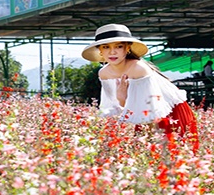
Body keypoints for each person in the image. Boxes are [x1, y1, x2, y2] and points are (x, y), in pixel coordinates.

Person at [82, 23, 199, 151]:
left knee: (174, 154)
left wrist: (122, 98)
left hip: (171, 112)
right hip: (143, 114)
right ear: (100, 51)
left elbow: (151, 109)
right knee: (146, 154)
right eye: (106, 47)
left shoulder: (139, 69)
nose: (112, 52)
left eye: (119, 46)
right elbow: (114, 108)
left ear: (127, 49)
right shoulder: (104, 73)